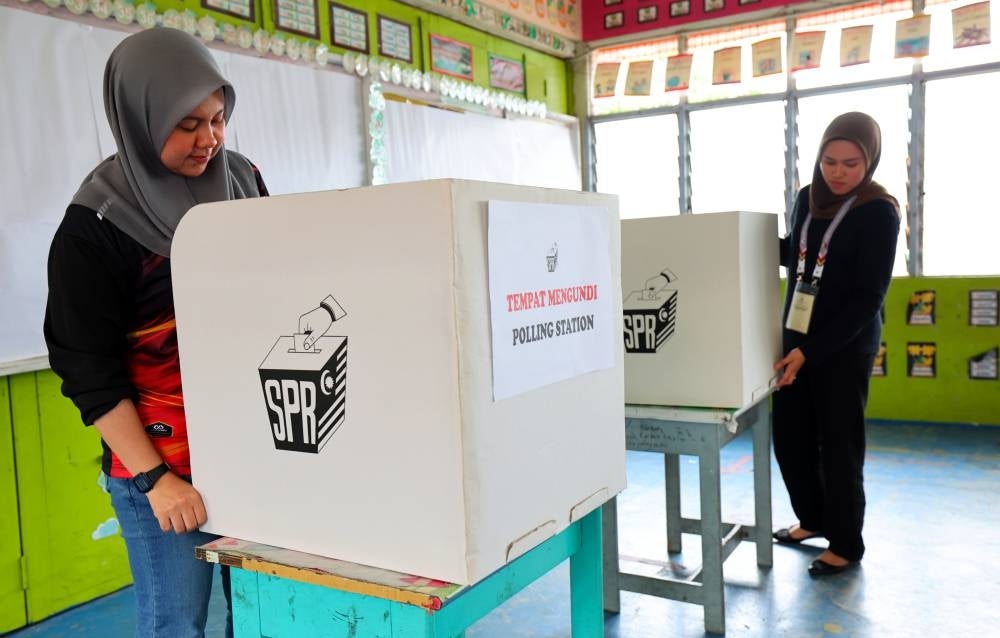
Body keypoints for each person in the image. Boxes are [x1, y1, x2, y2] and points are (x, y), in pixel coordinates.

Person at [44, 27, 267, 636]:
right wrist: (155, 481)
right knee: (175, 626)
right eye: (187, 124)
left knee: (260, 619)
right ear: (141, 121)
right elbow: (87, 369)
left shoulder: (243, 181)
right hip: (162, 467)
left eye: (218, 119)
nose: (210, 139)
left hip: (255, 454)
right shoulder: (96, 226)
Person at [771, 112, 900, 577]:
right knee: (790, 439)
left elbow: (869, 297)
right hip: (797, 337)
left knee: (840, 446)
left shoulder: (878, 210)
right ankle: (813, 519)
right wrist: (743, 238)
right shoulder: (808, 198)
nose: (838, 173)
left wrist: (810, 352)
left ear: (870, 162)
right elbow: (797, 253)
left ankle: (845, 543)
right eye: (829, 162)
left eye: (851, 164)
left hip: (845, 346)